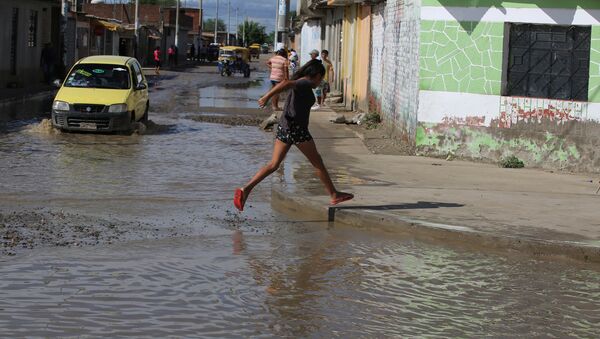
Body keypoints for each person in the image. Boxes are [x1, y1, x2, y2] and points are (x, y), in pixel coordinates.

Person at [233, 59, 354, 211]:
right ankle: (334, 195)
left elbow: (287, 84)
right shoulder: (304, 83)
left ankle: (246, 189)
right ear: (316, 75)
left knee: (273, 165)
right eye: (321, 78)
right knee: (317, 162)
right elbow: (285, 83)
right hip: (297, 130)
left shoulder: (301, 82)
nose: (320, 81)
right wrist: (266, 97)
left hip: (285, 127)